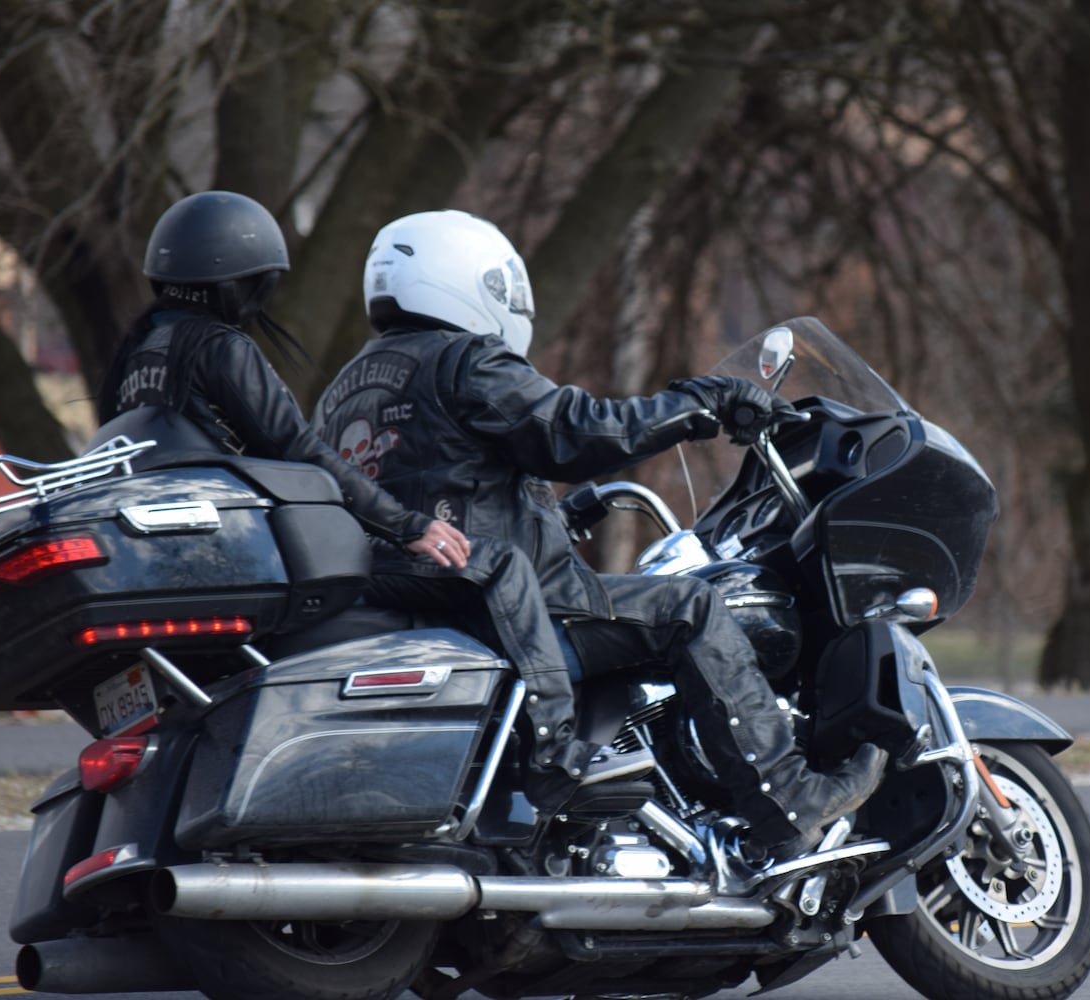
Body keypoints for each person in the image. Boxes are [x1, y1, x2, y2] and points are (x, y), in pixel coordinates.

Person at [313, 209, 888, 858]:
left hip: (411, 597)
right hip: (509, 604)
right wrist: (707, 401)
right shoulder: (465, 360)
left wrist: (554, 517)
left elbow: (441, 481)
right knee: (690, 606)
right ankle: (789, 797)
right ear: (465, 282)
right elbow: (578, 432)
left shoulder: (343, 389)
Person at [97, 192, 597, 808]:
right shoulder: (217, 346)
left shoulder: (136, 356)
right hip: (257, 549)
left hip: (184, 552)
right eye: (263, 284)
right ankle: (554, 750)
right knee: (496, 562)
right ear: (237, 281)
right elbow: (301, 453)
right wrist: (406, 524)